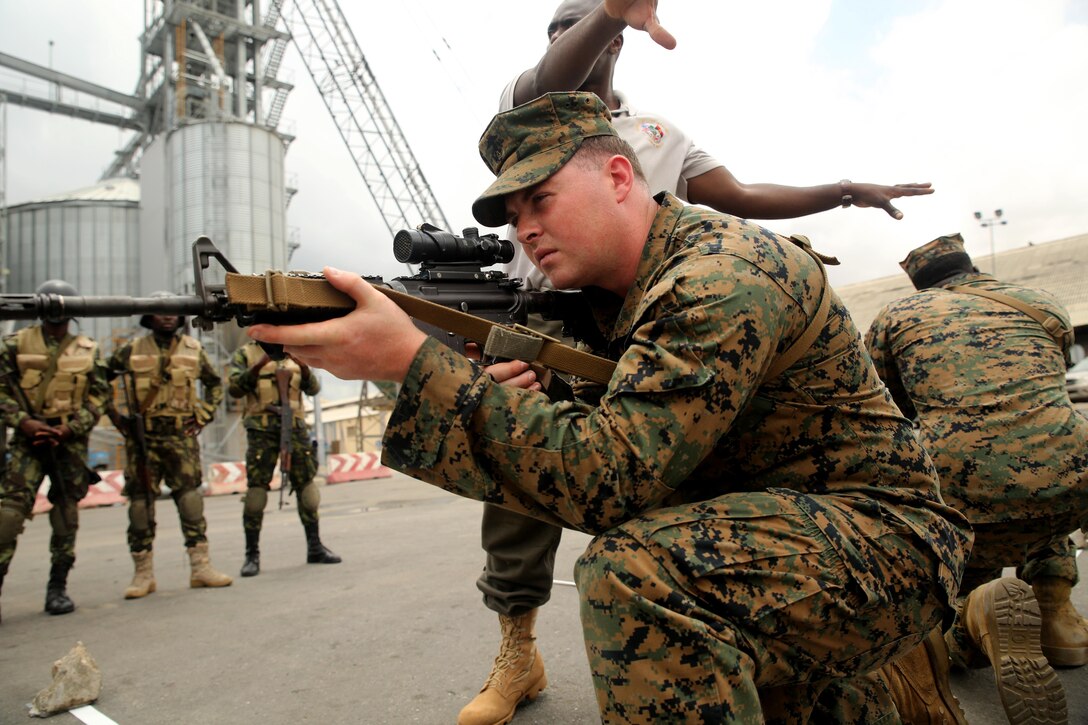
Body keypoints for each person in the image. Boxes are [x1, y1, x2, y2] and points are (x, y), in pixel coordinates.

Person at [247, 90, 972, 722]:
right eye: (512, 212)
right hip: (784, 522)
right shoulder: (616, 298)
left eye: (542, 199)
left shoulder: (717, 275)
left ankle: (876, 663)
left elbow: (608, 477)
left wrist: (410, 361)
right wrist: (516, 394)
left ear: (620, 175)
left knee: (637, 574)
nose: (523, 228)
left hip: (885, 537)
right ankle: (855, 691)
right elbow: (612, 436)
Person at [468, 1, 939, 721]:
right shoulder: (532, 105)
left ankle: (830, 664)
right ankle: (517, 643)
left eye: (588, 27)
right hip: (557, 311)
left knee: (639, 492)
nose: (572, 40)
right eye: (561, 29)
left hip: (653, 313)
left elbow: (742, 196)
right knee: (526, 478)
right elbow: (551, 85)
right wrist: (603, 14)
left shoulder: (658, 138)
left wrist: (843, 190)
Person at [865, 233, 1088, 723]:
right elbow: (1046, 386)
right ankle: (1058, 619)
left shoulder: (897, 317)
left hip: (965, 485)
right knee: (1042, 493)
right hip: (1074, 470)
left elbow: (889, 404)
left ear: (917, 279)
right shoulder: (1043, 303)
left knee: (964, 564)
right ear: (967, 265)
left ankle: (972, 617)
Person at [107, 294, 232, 599]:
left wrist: (202, 414)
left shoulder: (193, 349)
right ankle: (143, 574)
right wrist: (116, 417)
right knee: (140, 505)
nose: (167, 317)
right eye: (160, 312)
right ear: (149, 317)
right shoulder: (130, 350)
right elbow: (98, 380)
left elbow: (215, 384)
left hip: (181, 437)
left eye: (173, 312)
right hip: (142, 438)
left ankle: (201, 568)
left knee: (190, 500)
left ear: (180, 317)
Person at [0, 280, 109, 622]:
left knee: (66, 518)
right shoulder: (14, 345)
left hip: (69, 444)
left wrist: (69, 429)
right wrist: (24, 422)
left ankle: (57, 589)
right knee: (8, 516)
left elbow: (99, 397)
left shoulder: (89, 350)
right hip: (27, 441)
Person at [227, 341, 340, 577]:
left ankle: (315, 547)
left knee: (307, 489)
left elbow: (314, 389)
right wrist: (258, 366)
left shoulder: (296, 349)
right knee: (256, 492)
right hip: (261, 430)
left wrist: (304, 367)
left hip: (295, 427)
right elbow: (235, 389)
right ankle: (251, 555)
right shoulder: (246, 353)